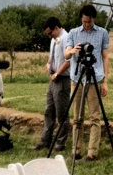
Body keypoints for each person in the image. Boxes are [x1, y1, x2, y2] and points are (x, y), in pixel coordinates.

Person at [64, 4, 109, 162]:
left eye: (89, 22)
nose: (86, 25)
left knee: (94, 117)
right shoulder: (73, 33)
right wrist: (72, 50)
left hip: (95, 78)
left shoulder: (102, 33)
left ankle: (92, 153)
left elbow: (105, 57)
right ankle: (75, 151)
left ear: (93, 19)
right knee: (77, 117)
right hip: (77, 79)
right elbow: (66, 55)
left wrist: (105, 82)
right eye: (84, 22)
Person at [34, 16, 71, 152]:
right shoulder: (54, 40)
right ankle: (45, 141)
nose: (49, 36)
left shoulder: (66, 38)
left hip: (62, 80)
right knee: (49, 111)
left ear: (56, 28)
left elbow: (68, 61)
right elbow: (52, 57)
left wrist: (57, 73)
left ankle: (60, 143)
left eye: (50, 33)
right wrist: (49, 65)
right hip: (53, 80)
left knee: (61, 114)